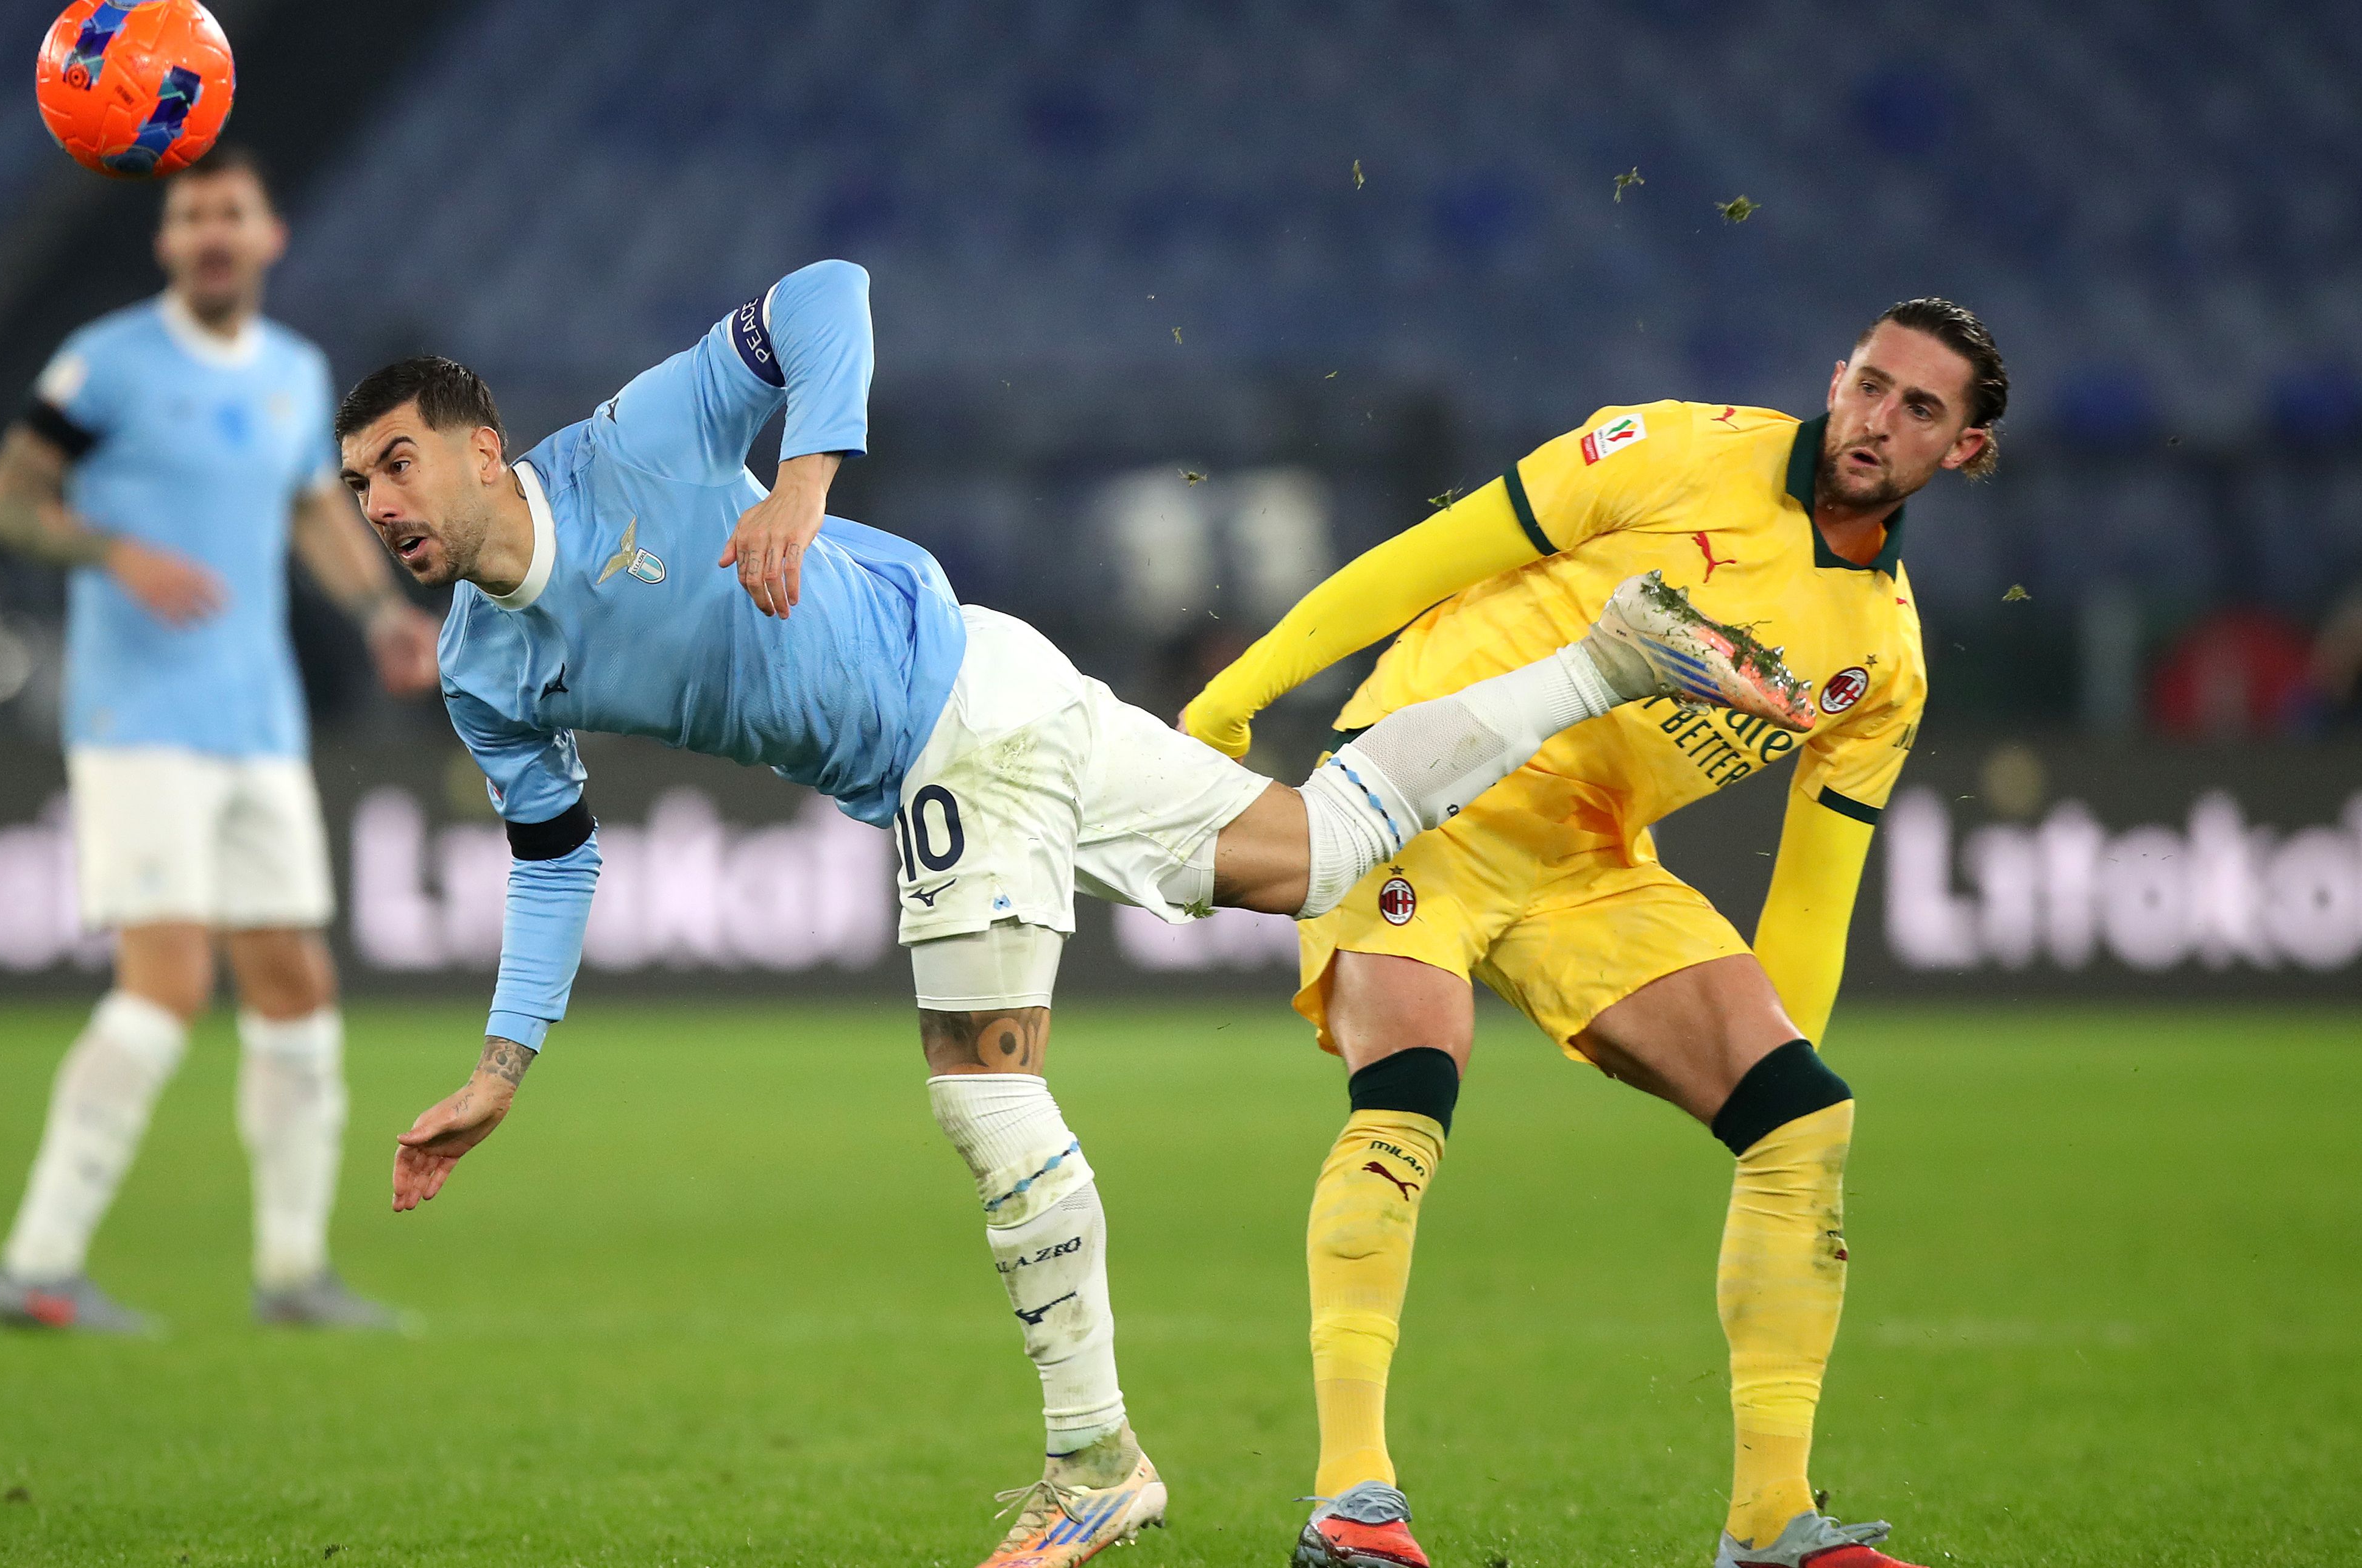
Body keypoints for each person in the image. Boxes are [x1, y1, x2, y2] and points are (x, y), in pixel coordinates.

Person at [332, 257, 1812, 1568]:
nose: (380, 506)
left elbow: (828, 293)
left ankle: (1093, 1464)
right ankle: (1605, 659)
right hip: (994, 684)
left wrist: (801, 483)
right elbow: (554, 857)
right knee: (1309, 853)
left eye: (397, 466)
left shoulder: (636, 444)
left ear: (480, 449)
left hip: (954, 727)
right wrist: (499, 1067)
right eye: (356, 490)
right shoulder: (483, 670)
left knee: (987, 1094)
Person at [1181, 300, 2008, 1568]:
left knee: (1805, 1119)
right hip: (1419, 785)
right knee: (1407, 1091)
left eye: (1919, 410)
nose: (1877, 421)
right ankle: (1351, 1504)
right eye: (1870, 385)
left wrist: (1755, 1102)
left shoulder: (1881, 661)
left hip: (1584, 859)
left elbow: (1812, 892)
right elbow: (1427, 558)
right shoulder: (1674, 449)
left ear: (1964, 451)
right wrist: (1236, 698)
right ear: (1835, 375)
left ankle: (1770, 1525)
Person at [0, 146, 442, 1333]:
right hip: (140, 724)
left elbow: (308, 510)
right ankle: (36, 1265)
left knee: (295, 989)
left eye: (232, 212)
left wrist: (383, 614)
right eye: (192, 216)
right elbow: (1, 500)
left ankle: (292, 1274)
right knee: (167, 987)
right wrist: (112, 551)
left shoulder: (293, 374)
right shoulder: (107, 365)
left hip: (258, 725)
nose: (213, 232)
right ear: (168, 243)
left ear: (269, 236)